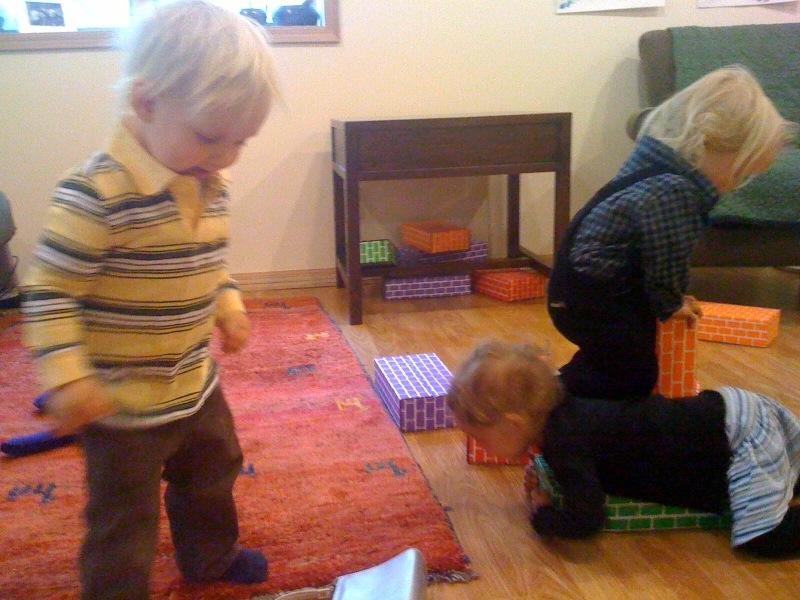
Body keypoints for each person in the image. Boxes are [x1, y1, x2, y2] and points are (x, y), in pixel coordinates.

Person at [20, 2, 278, 597]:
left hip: (194, 384)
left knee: (213, 475)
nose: (226, 157)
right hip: (120, 406)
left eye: (241, 142)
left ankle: (210, 557)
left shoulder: (208, 181)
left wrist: (229, 303)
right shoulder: (95, 195)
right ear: (145, 102)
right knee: (124, 516)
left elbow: (206, 259)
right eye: (210, 137)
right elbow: (51, 292)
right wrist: (67, 378)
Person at [547, 65, 797, 399]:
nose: (734, 186)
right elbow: (667, 255)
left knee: (609, 359)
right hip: (595, 297)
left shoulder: (652, 167)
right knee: (633, 370)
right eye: (739, 174)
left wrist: (673, 298)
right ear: (705, 145)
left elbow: (644, 254)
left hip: (582, 291)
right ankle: (568, 407)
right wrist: (670, 301)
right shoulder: (675, 190)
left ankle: (555, 390)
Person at [446, 341, 800, 556]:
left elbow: (586, 520)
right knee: (787, 481)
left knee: (762, 538)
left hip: (740, 437)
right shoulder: (563, 407)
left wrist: (543, 514)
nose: (479, 446)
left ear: (513, 424)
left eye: (480, 437)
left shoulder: (565, 444)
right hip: (734, 411)